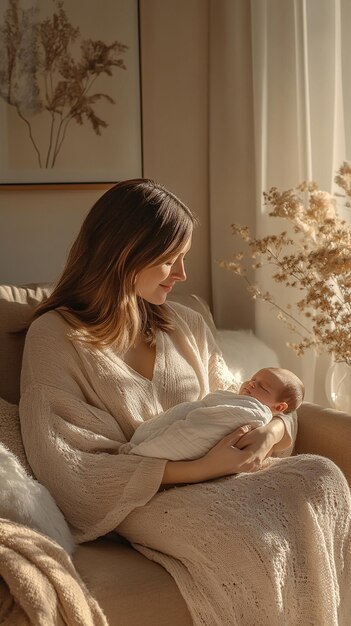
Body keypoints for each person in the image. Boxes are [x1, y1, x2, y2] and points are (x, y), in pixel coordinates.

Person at [19, 179, 351, 625]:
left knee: (322, 474)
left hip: (225, 475)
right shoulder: (55, 337)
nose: (182, 274)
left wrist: (271, 432)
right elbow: (67, 464)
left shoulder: (185, 324)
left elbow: (247, 400)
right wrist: (199, 470)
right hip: (143, 497)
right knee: (248, 535)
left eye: (184, 258)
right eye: (169, 259)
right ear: (124, 253)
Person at [126, 367, 305, 462]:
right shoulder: (236, 396)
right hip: (194, 415)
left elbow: (210, 426)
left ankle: (145, 452)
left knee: (184, 432)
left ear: (279, 407)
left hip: (198, 429)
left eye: (263, 387)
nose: (251, 384)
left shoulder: (256, 413)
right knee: (163, 423)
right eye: (252, 380)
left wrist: (272, 432)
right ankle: (140, 446)